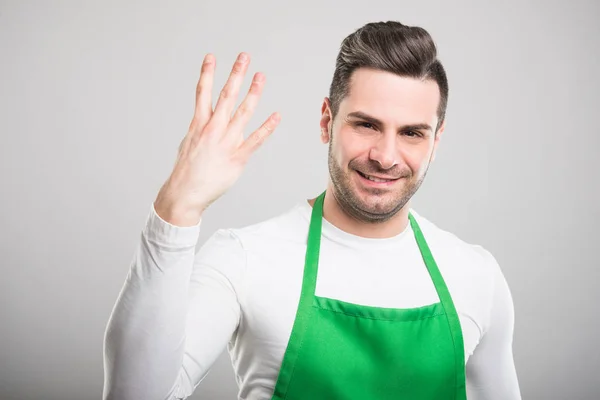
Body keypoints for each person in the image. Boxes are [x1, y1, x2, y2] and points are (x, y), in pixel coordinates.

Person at [103, 21, 521, 400]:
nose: (386, 156)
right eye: (366, 125)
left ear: (436, 141)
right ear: (327, 121)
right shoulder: (244, 258)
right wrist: (178, 207)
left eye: (412, 133)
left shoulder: (476, 276)